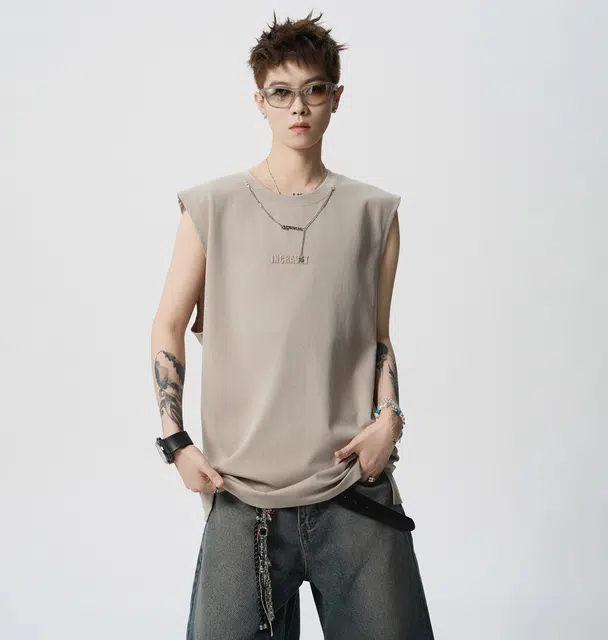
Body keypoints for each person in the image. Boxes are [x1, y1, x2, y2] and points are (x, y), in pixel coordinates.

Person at [151, 10, 435, 639]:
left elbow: (377, 335)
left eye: (314, 90)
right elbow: (168, 326)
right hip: (240, 492)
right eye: (281, 92)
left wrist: (390, 419)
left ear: (337, 97)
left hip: (352, 485)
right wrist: (175, 442)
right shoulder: (210, 207)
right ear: (260, 102)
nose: (299, 107)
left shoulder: (374, 212)